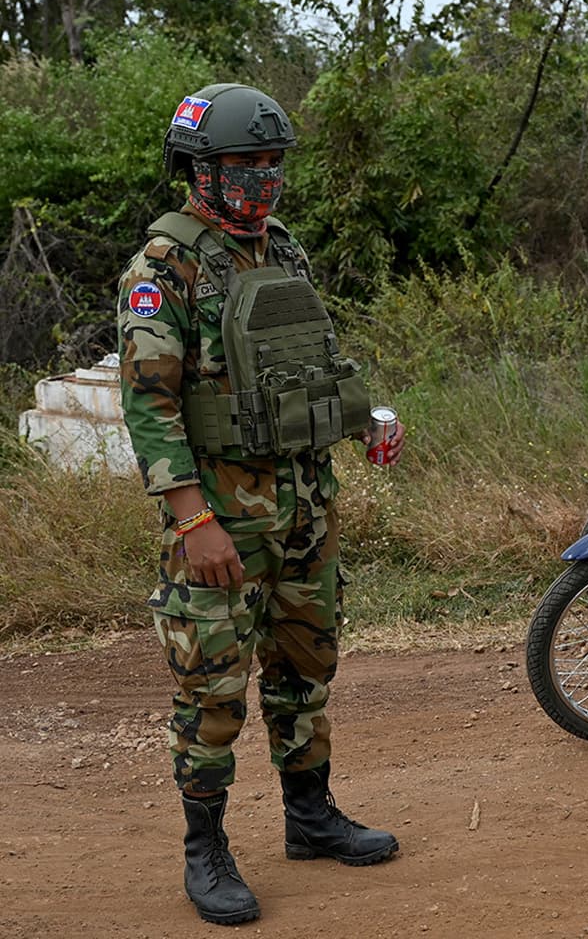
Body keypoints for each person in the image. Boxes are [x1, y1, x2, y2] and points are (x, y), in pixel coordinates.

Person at [117, 83, 404, 926]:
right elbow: (148, 404)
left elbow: (314, 361)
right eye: (243, 164)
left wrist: (364, 419)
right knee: (212, 689)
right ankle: (205, 849)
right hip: (222, 515)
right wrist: (192, 519)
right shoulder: (161, 267)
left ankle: (310, 818)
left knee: (306, 666)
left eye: (272, 164)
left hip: (306, 501)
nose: (262, 180)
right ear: (197, 169)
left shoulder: (283, 248)